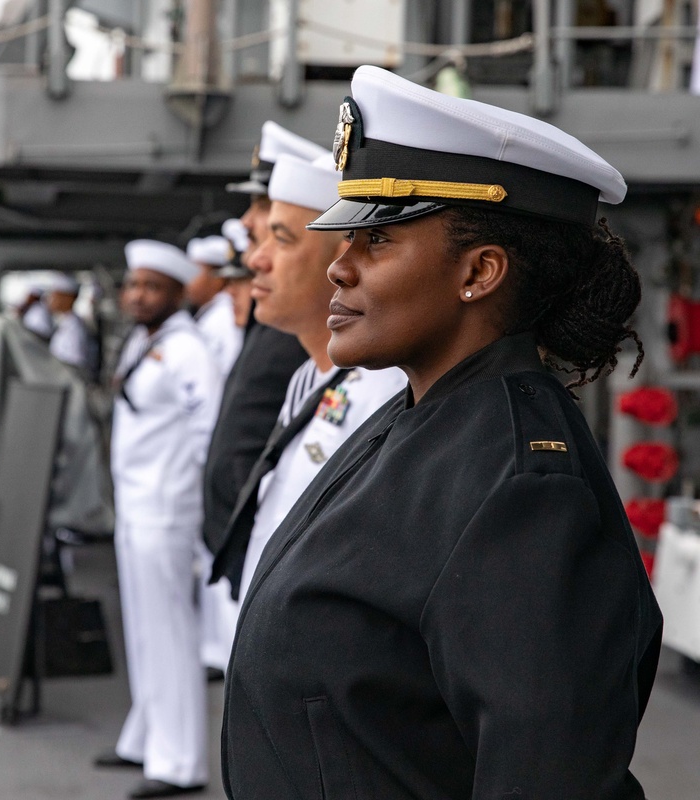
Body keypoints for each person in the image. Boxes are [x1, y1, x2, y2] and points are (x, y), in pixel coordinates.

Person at [222, 66, 663, 799]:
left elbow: (552, 776)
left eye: (377, 241)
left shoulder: (520, 488)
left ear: (480, 271)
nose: (340, 267)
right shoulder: (426, 414)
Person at [209, 152, 405, 602]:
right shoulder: (309, 376)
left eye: (281, 239)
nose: (255, 260)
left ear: (340, 259)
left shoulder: (383, 391)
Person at [101, 240, 222, 799]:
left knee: (170, 631)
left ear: (177, 293)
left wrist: (192, 504)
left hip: (166, 506)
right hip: (135, 504)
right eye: (133, 285)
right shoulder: (143, 341)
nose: (138, 295)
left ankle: (178, 762)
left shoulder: (187, 349)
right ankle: (145, 736)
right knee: (144, 628)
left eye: (152, 286)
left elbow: (207, 430)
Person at [202, 122, 324, 562]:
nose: (247, 228)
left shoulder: (359, 376)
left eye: (281, 231)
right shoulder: (309, 366)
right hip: (243, 549)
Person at [186, 235, 244, 376]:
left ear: (218, 278)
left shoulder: (225, 315)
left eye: (194, 272)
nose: (187, 279)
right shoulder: (211, 312)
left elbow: (228, 368)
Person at [46, 272, 93, 374]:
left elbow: (75, 368)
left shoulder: (75, 329)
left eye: (55, 295)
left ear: (68, 298)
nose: (50, 299)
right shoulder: (65, 322)